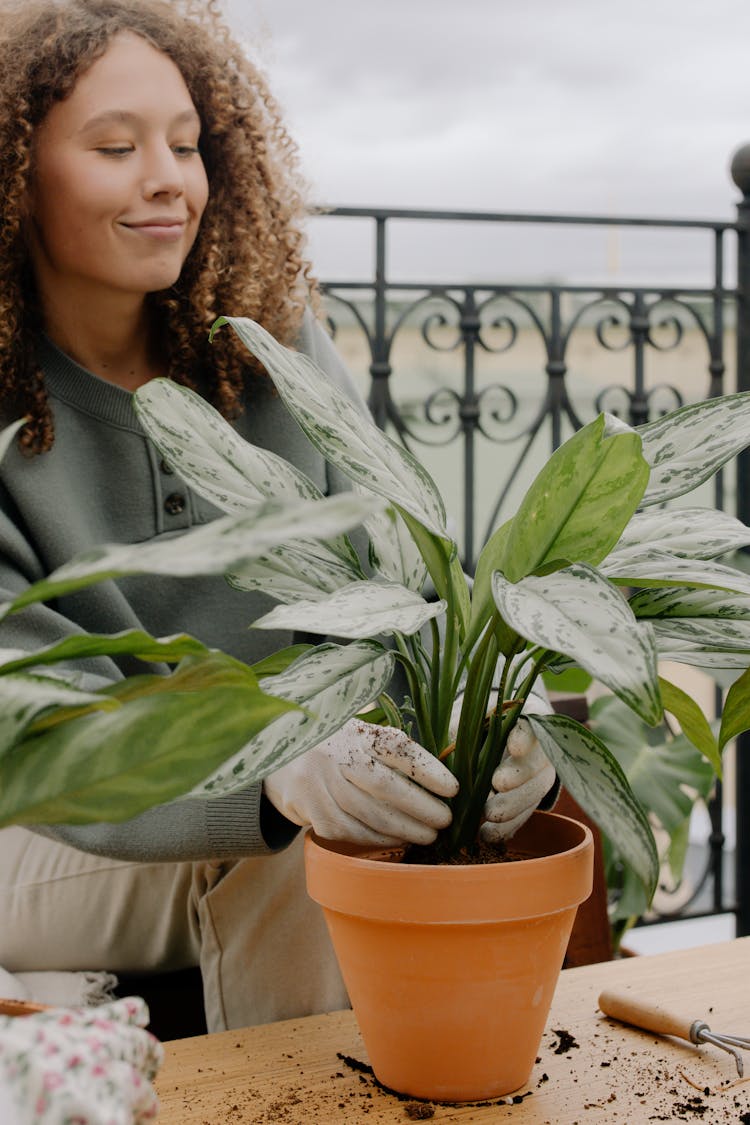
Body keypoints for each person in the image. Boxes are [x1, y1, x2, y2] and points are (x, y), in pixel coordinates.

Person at [0, 0, 555, 1032]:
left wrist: (495, 731)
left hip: (262, 809)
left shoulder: (269, 340)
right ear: (14, 176)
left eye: (186, 142)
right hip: (37, 832)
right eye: (116, 147)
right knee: (304, 851)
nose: (169, 177)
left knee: (368, 831)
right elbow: (32, 738)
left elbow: (404, 579)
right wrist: (273, 771)